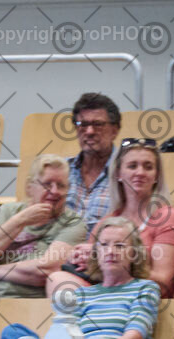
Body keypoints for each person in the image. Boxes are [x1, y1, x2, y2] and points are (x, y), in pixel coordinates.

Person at [0, 154, 87, 339]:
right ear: (29, 187)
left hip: (32, 310)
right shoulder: (10, 212)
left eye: (61, 185)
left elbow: (44, 270)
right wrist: (19, 221)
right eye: (47, 184)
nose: (54, 192)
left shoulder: (73, 223)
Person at [1, 217, 161, 339]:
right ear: (96, 253)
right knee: (13, 333)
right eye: (104, 245)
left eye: (120, 245)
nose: (111, 251)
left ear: (134, 253)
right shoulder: (81, 294)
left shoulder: (145, 288)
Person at [48, 139, 174, 298]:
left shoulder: (166, 217)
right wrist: (81, 257)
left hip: (143, 297)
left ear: (156, 175)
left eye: (148, 167)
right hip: (106, 294)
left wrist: (119, 262)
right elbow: (91, 269)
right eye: (132, 166)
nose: (140, 172)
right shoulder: (109, 220)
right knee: (57, 279)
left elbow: (163, 282)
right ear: (119, 174)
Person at [65, 93, 121, 234]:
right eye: (83, 124)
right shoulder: (60, 171)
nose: (89, 132)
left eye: (98, 124)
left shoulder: (128, 173)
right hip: (57, 251)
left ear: (115, 130)